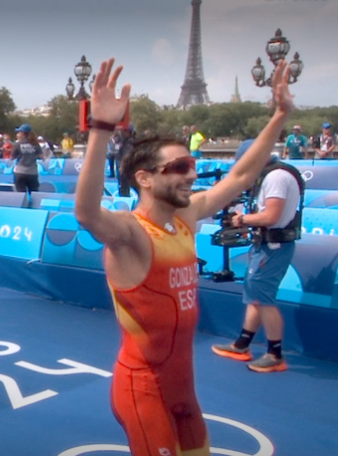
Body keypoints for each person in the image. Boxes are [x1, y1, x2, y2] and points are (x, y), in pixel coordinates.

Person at [73, 58, 294, 456]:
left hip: (184, 390)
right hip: (142, 391)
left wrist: (279, 116)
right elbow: (87, 213)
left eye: (191, 165)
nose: (191, 175)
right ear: (144, 178)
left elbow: (241, 177)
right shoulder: (129, 233)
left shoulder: (186, 217)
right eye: (178, 167)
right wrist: (101, 129)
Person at [211, 138, 304, 373]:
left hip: (273, 247)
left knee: (263, 300)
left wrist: (241, 220)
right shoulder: (274, 175)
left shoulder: (275, 178)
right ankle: (242, 344)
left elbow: (271, 217)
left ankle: (275, 354)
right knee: (256, 295)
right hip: (268, 245)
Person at [10, 124, 47, 194]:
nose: (17, 134)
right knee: (34, 194)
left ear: (23, 134)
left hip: (20, 172)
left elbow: (12, 158)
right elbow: (43, 158)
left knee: (20, 195)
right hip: (32, 172)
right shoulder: (35, 144)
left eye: (19, 132)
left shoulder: (18, 144)